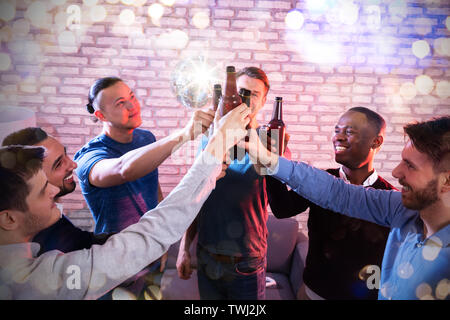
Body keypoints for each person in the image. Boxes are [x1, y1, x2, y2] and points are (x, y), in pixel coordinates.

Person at [0, 104, 250, 299]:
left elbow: (106, 242)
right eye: (44, 189)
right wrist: (213, 145)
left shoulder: (41, 240)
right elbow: (124, 172)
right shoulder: (35, 281)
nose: (54, 191)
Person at [246, 116, 450, 300]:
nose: (396, 172)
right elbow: (336, 193)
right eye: (337, 131)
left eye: (411, 166)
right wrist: (269, 159)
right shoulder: (400, 207)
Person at [266, 107, 396, 300]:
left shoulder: (390, 197)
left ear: (376, 141)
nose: (339, 137)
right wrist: (272, 162)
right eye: (337, 131)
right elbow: (283, 209)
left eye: (349, 132)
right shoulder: (321, 182)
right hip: (313, 294)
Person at [74, 77, 216, 234]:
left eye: (132, 96)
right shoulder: (89, 157)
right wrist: (183, 135)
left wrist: (161, 231)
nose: (132, 106)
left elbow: (154, 189)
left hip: (152, 245)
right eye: (120, 103)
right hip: (116, 253)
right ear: (101, 116)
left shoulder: (146, 138)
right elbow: (124, 170)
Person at [176, 67, 271, 300]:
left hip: (246, 263)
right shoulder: (210, 140)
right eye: (241, 92)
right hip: (207, 256)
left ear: (264, 100)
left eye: (254, 93)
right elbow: (196, 198)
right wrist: (183, 249)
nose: (245, 98)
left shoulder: (270, 142)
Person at [2, 128, 110, 256]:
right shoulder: (39, 230)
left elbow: (83, 241)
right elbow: (86, 250)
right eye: (58, 164)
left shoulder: (52, 217)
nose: (73, 165)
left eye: (65, 154)